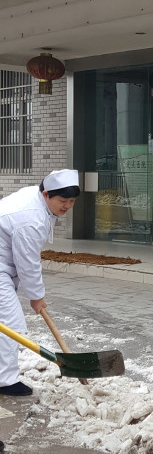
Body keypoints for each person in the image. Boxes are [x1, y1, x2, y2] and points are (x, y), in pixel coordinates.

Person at [0, 169, 80, 397]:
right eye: (63, 201)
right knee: (10, 323)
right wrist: (36, 297)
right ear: (46, 194)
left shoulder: (36, 200)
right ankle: (5, 381)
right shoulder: (31, 219)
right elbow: (28, 263)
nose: (67, 206)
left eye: (72, 201)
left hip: (4, 265)